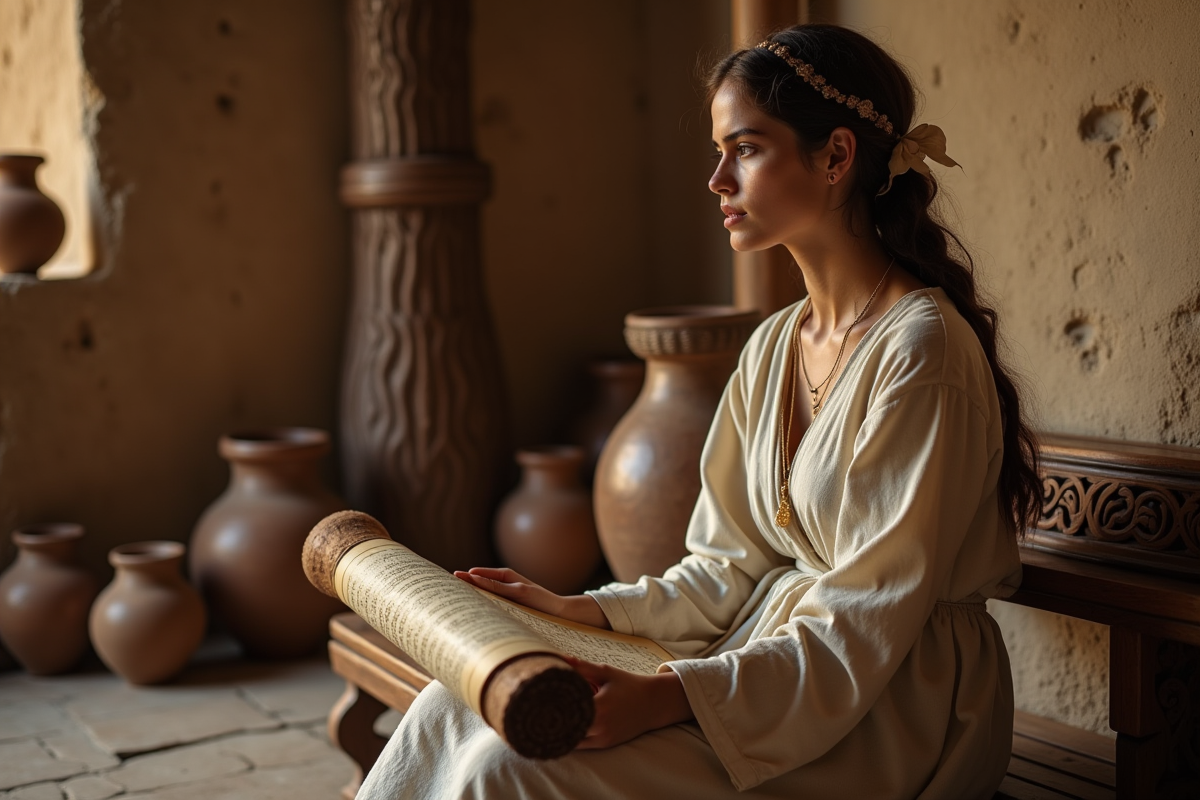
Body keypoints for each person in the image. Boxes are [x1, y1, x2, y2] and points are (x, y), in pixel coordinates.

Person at [357, 23, 1041, 800]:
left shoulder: (922, 353)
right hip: (771, 664)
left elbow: (866, 615)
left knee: (511, 769)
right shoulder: (778, 342)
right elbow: (726, 567)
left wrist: (675, 693)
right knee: (457, 706)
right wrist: (574, 609)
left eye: (745, 148)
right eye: (720, 150)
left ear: (836, 156)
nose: (717, 178)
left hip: (896, 706)